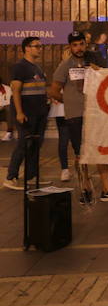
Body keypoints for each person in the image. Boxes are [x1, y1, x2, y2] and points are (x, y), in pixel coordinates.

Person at [47, 32, 108, 203]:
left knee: (101, 150)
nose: (79, 48)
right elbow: (53, 90)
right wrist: (69, 101)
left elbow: (106, 78)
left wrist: (97, 70)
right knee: (80, 154)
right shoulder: (65, 65)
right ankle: (85, 188)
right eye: (75, 45)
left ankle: (107, 190)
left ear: (86, 44)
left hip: (95, 113)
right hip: (76, 115)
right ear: (70, 46)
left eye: (81, 44)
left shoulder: (94, 60)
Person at [3, 37, 51, 191]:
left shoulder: (37, 68)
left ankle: (31, 176)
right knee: (23, 144)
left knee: (36, 144)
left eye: (40, 46)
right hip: (27, 113)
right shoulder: (20, 67)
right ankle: (11, 177)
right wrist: (19, 112)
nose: (39, 49)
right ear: (27, 48)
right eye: (36, 46)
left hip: (40, 113)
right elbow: (16, 91)